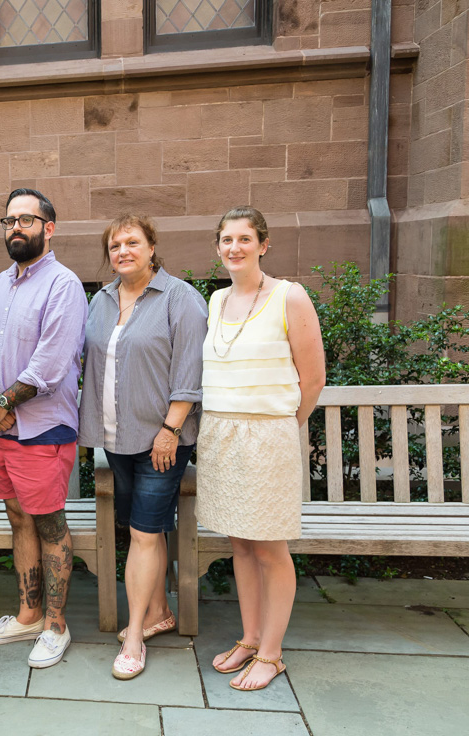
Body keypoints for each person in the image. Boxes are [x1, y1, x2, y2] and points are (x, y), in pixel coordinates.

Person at [196, 206, 325, 691]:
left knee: (270, 548)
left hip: (268, 436)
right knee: (241, 544)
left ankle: (272, 654)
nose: (234, 248)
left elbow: (312, 379)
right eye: (226, 239)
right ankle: (250, 639)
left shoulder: (290, 297)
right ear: (218, 246)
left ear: (263, 244)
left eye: (245, 239)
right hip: (222, 435)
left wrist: (280, 428)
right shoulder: (215, 301)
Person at [79, 214, 208, 681]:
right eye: (115, 245)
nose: (123, 251)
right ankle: (157, 610)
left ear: (152, 247)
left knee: (143, 534)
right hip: (117, 437)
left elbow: (190, 372)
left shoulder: (181, 299)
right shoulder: (101, 300)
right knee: (140, 531)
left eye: (132, 242)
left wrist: (170, 430)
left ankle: (134, 637)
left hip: (162, 442)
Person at [0, 188, 87, 668]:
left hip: (42, 430)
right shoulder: (0, 284)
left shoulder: (64, 284)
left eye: (26, 219)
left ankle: (56, 626)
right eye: (9, 220)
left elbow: (53, 362)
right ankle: (28, 615)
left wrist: (3, 403)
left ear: (49, 228)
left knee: (50, 523)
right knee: (19, 518)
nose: (15, 227)